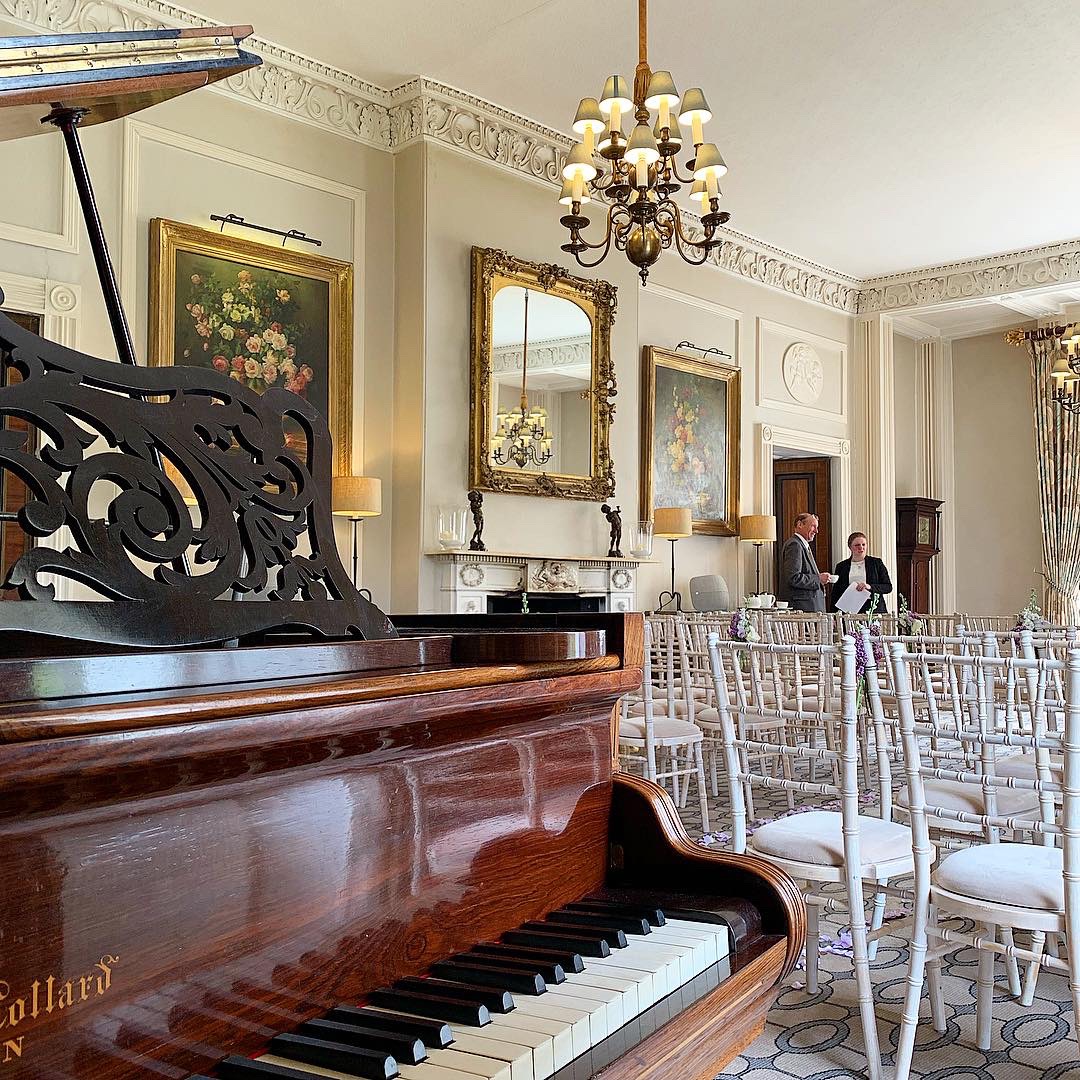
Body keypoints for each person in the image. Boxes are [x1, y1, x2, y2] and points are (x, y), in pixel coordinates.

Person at [778, 512, 835, 613]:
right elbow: (793, 577)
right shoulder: (795, 545)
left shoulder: (803, 545)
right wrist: (818, 579)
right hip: (803, 611)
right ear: (800, 525)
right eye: (813, 526)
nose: (816, 531)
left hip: (810, 610)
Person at [830, 531, 893, 613]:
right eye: (857, 545)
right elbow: (836, 592)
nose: (861, 547)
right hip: (850, 609)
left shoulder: (876, 563)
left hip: (873, 609)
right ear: (850, 547)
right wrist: (834, 613)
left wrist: (869, 586)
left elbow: (888, 587)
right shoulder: (841, 566)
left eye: (863, 544)